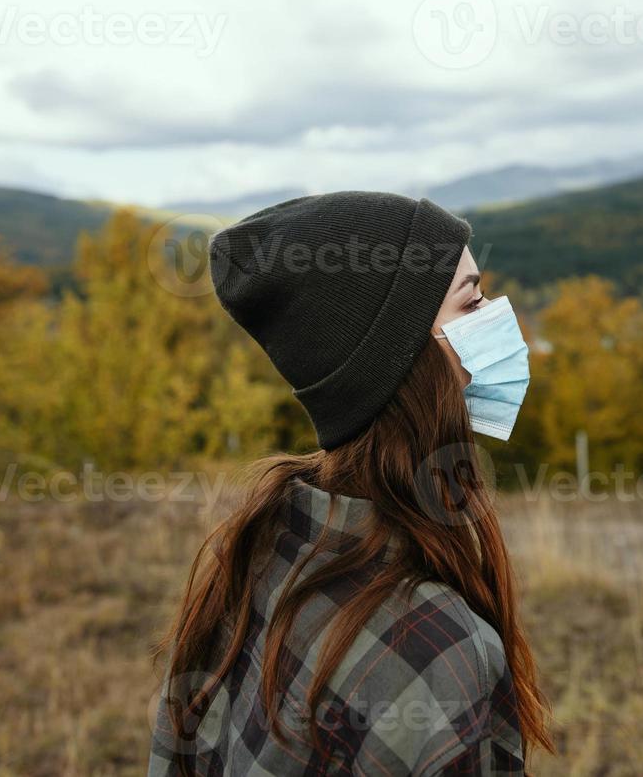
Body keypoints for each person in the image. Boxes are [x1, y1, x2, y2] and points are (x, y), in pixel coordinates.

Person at [148, 191, 554, 776]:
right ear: (399, 359)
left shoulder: (257, 554)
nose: (498, 321)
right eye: (472, 303)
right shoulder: (437, 648)